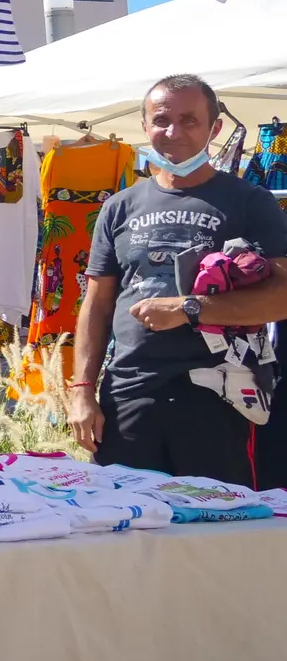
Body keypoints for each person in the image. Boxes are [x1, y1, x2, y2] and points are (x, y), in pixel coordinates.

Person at [68, 74, 287, 486]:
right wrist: (82, 389)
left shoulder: (249, 202)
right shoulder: (119, 207)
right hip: (129, 393)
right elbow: (96, 304)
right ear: (145, 125)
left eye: (189, 120)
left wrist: (191, 309)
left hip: (218, 395)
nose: (173, 132)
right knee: (128, 531)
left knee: (216, 535)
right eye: (162, 119)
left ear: (214, 127)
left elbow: (282, 296)